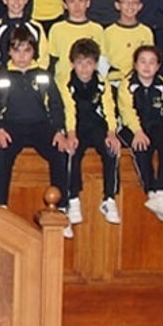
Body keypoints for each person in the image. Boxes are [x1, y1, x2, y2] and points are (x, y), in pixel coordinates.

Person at [0, 28, 68, 213]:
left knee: (60, 151)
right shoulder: (2, 76)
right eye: (16, 50)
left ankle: (61, 208)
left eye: (27, 50)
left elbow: (56, 105)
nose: (22, 56)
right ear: (9, 52)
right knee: (2, 152)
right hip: (11, 125)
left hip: (40, 126)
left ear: (34, 52)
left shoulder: (43, 75)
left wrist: (58, 131)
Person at [59, 38, 121, 230]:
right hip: (76, 126)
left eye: (89, 63)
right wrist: (71, 134)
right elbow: (69, 110)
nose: (84, 68)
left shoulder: (102, 83)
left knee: (111, 149)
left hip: (96, 126)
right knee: (73, 152)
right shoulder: (66, 83)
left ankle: (109, 198)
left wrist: (111, 132)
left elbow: (109, 108)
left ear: (95, 64)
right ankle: (73, 198)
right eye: (79, 63)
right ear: (72, 64)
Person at [118, 45, 163, 222]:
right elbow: (127, 111)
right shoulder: (127, 85)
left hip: (157, 125)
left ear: (158, 66)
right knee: (141, 147)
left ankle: (162, 193)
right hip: (132, 127)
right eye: (143, 61)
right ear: (135, 64)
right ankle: (151, 192)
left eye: (152, 62)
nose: (147, 66)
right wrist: (137, 131)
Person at [47, 0, 105, 86]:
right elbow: (52, 61)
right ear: (64, 5)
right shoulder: (56, 29)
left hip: (89, 83)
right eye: (71, 1)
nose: (77, 6)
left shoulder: (97, 29)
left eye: (81, 0)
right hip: (62, 84)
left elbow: (101, 61)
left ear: (88, 3)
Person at [0, 0, 49, 73]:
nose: (16, 2)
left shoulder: (36, 27)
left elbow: (43, 57)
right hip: (6, 75)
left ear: (27, 0)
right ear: (4, 0)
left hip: (31, 75)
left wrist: (39, 72)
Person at [102, 0, 154, 84]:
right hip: (114, 82)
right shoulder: (108, 32)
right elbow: (103, 60)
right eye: (126, 2)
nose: (130, 6)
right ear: (117, 5)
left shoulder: (146, 32)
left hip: (138, 81)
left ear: (140, 6)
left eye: (134, 3)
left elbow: (149, 58)